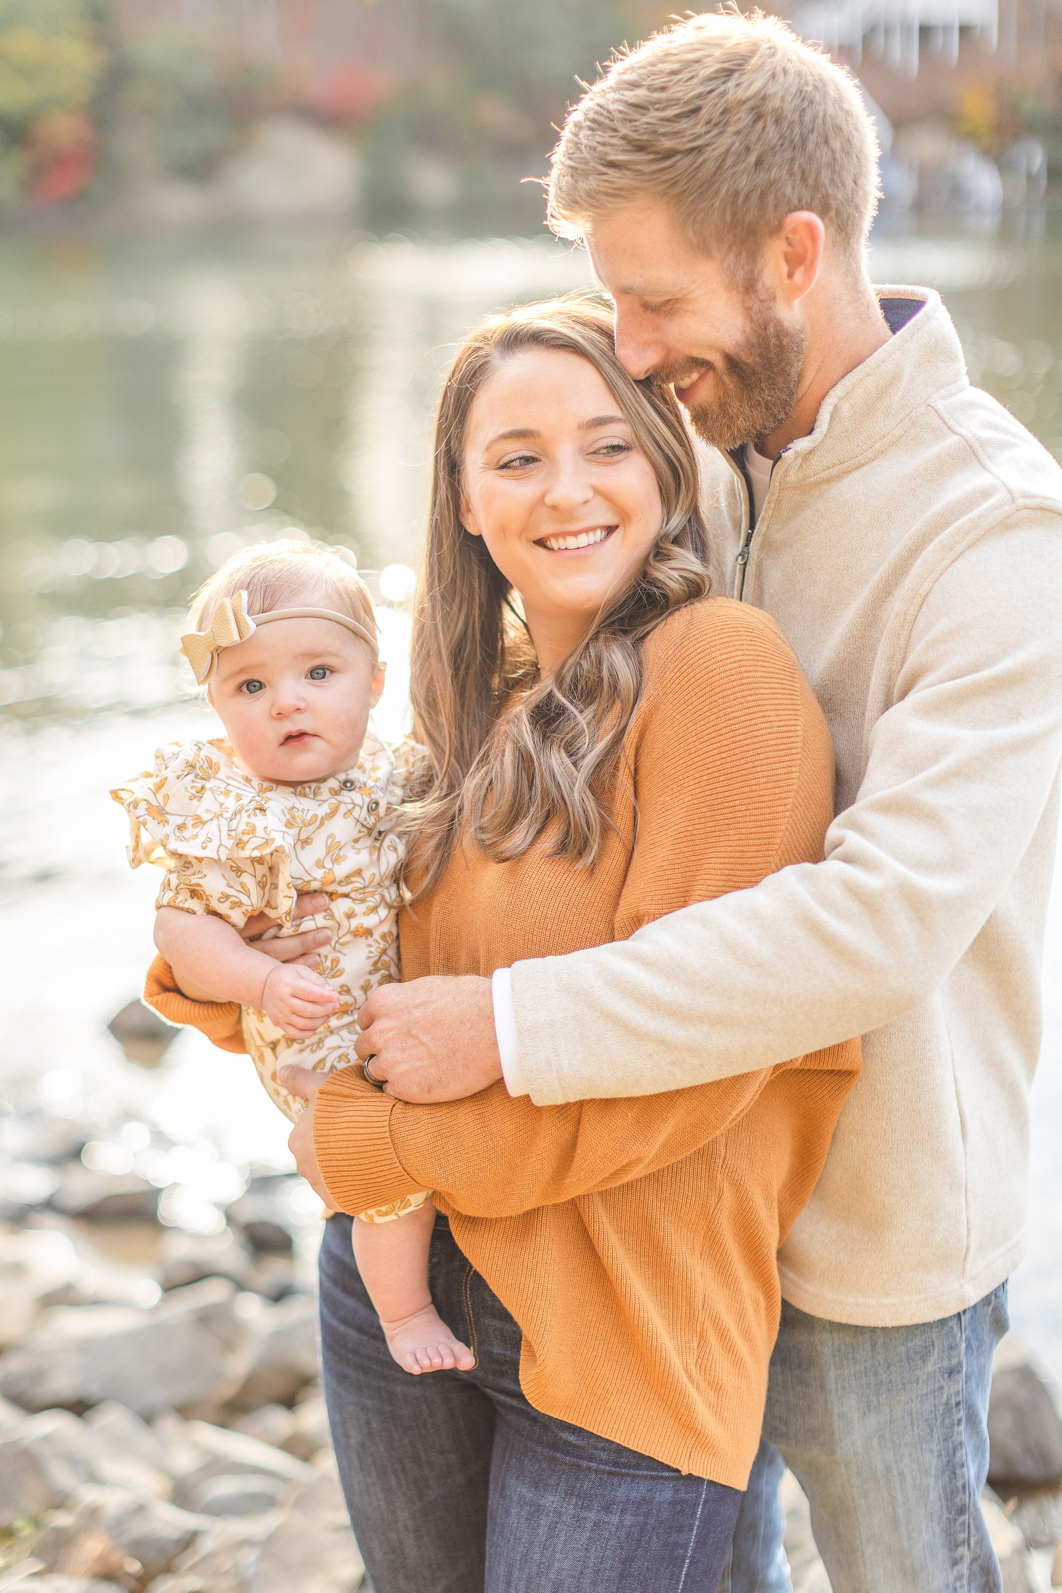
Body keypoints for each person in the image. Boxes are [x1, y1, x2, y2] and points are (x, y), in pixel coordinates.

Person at [341, 15, 1062, 1593]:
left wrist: (507, 1028)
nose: (638, 346)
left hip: (870, 1235)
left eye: (657, 301)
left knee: (908, 1572)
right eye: (617, 301)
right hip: (660, 1202)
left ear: (791, 253)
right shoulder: (704, 460)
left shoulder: (997, 539)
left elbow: (874, 925)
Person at [146, 298, 861, 1593]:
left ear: (660, 463)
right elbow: (365, 963)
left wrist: (370, 1141)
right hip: (404, 1281)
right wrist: (237, 964)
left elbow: (699, 1059)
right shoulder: (479, 703)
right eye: (516, 457)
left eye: (605, 446)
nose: (565, 490)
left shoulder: (720, 669)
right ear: (465, 500)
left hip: (625, 1336)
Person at [114, 540, 475, 1376]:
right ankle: (405, 1308)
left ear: (376, 682)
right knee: (385, 1169)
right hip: (312, 1040)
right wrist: (262, 977)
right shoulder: (234, 812)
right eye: (251, 686)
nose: (287, 703)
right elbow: (181, 930)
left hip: (394, 1020)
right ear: (216, 704)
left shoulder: (396, 772)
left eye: (319, 673)